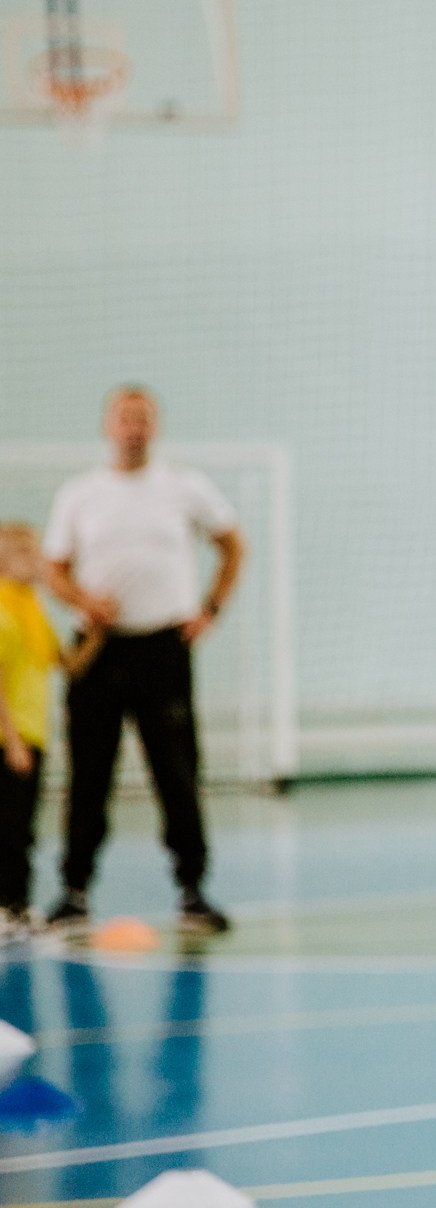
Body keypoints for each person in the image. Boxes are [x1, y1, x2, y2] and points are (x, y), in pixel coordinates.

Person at [40, 387, 241, 935]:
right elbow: (54, 569)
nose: (134, 428)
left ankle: (193, 889)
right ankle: (74, 890)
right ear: (108, 425)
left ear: (155, 427)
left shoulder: (185, 487)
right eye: (125, 419)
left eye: (143, 419)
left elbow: (231, 544)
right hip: (102, 650)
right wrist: (86, 601)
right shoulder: (81, 494)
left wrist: (210, 608)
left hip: (163, 648)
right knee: (89, 775)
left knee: (176, 772)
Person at [0, 523, 61, 937]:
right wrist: (13, 739)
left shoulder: (33, 608)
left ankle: (18, 904)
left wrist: (98, 626)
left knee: (22, 827)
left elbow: (65, 663)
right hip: (9, 736)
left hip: (34, 733)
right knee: (5, 825)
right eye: (26, 553)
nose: (36, 561)